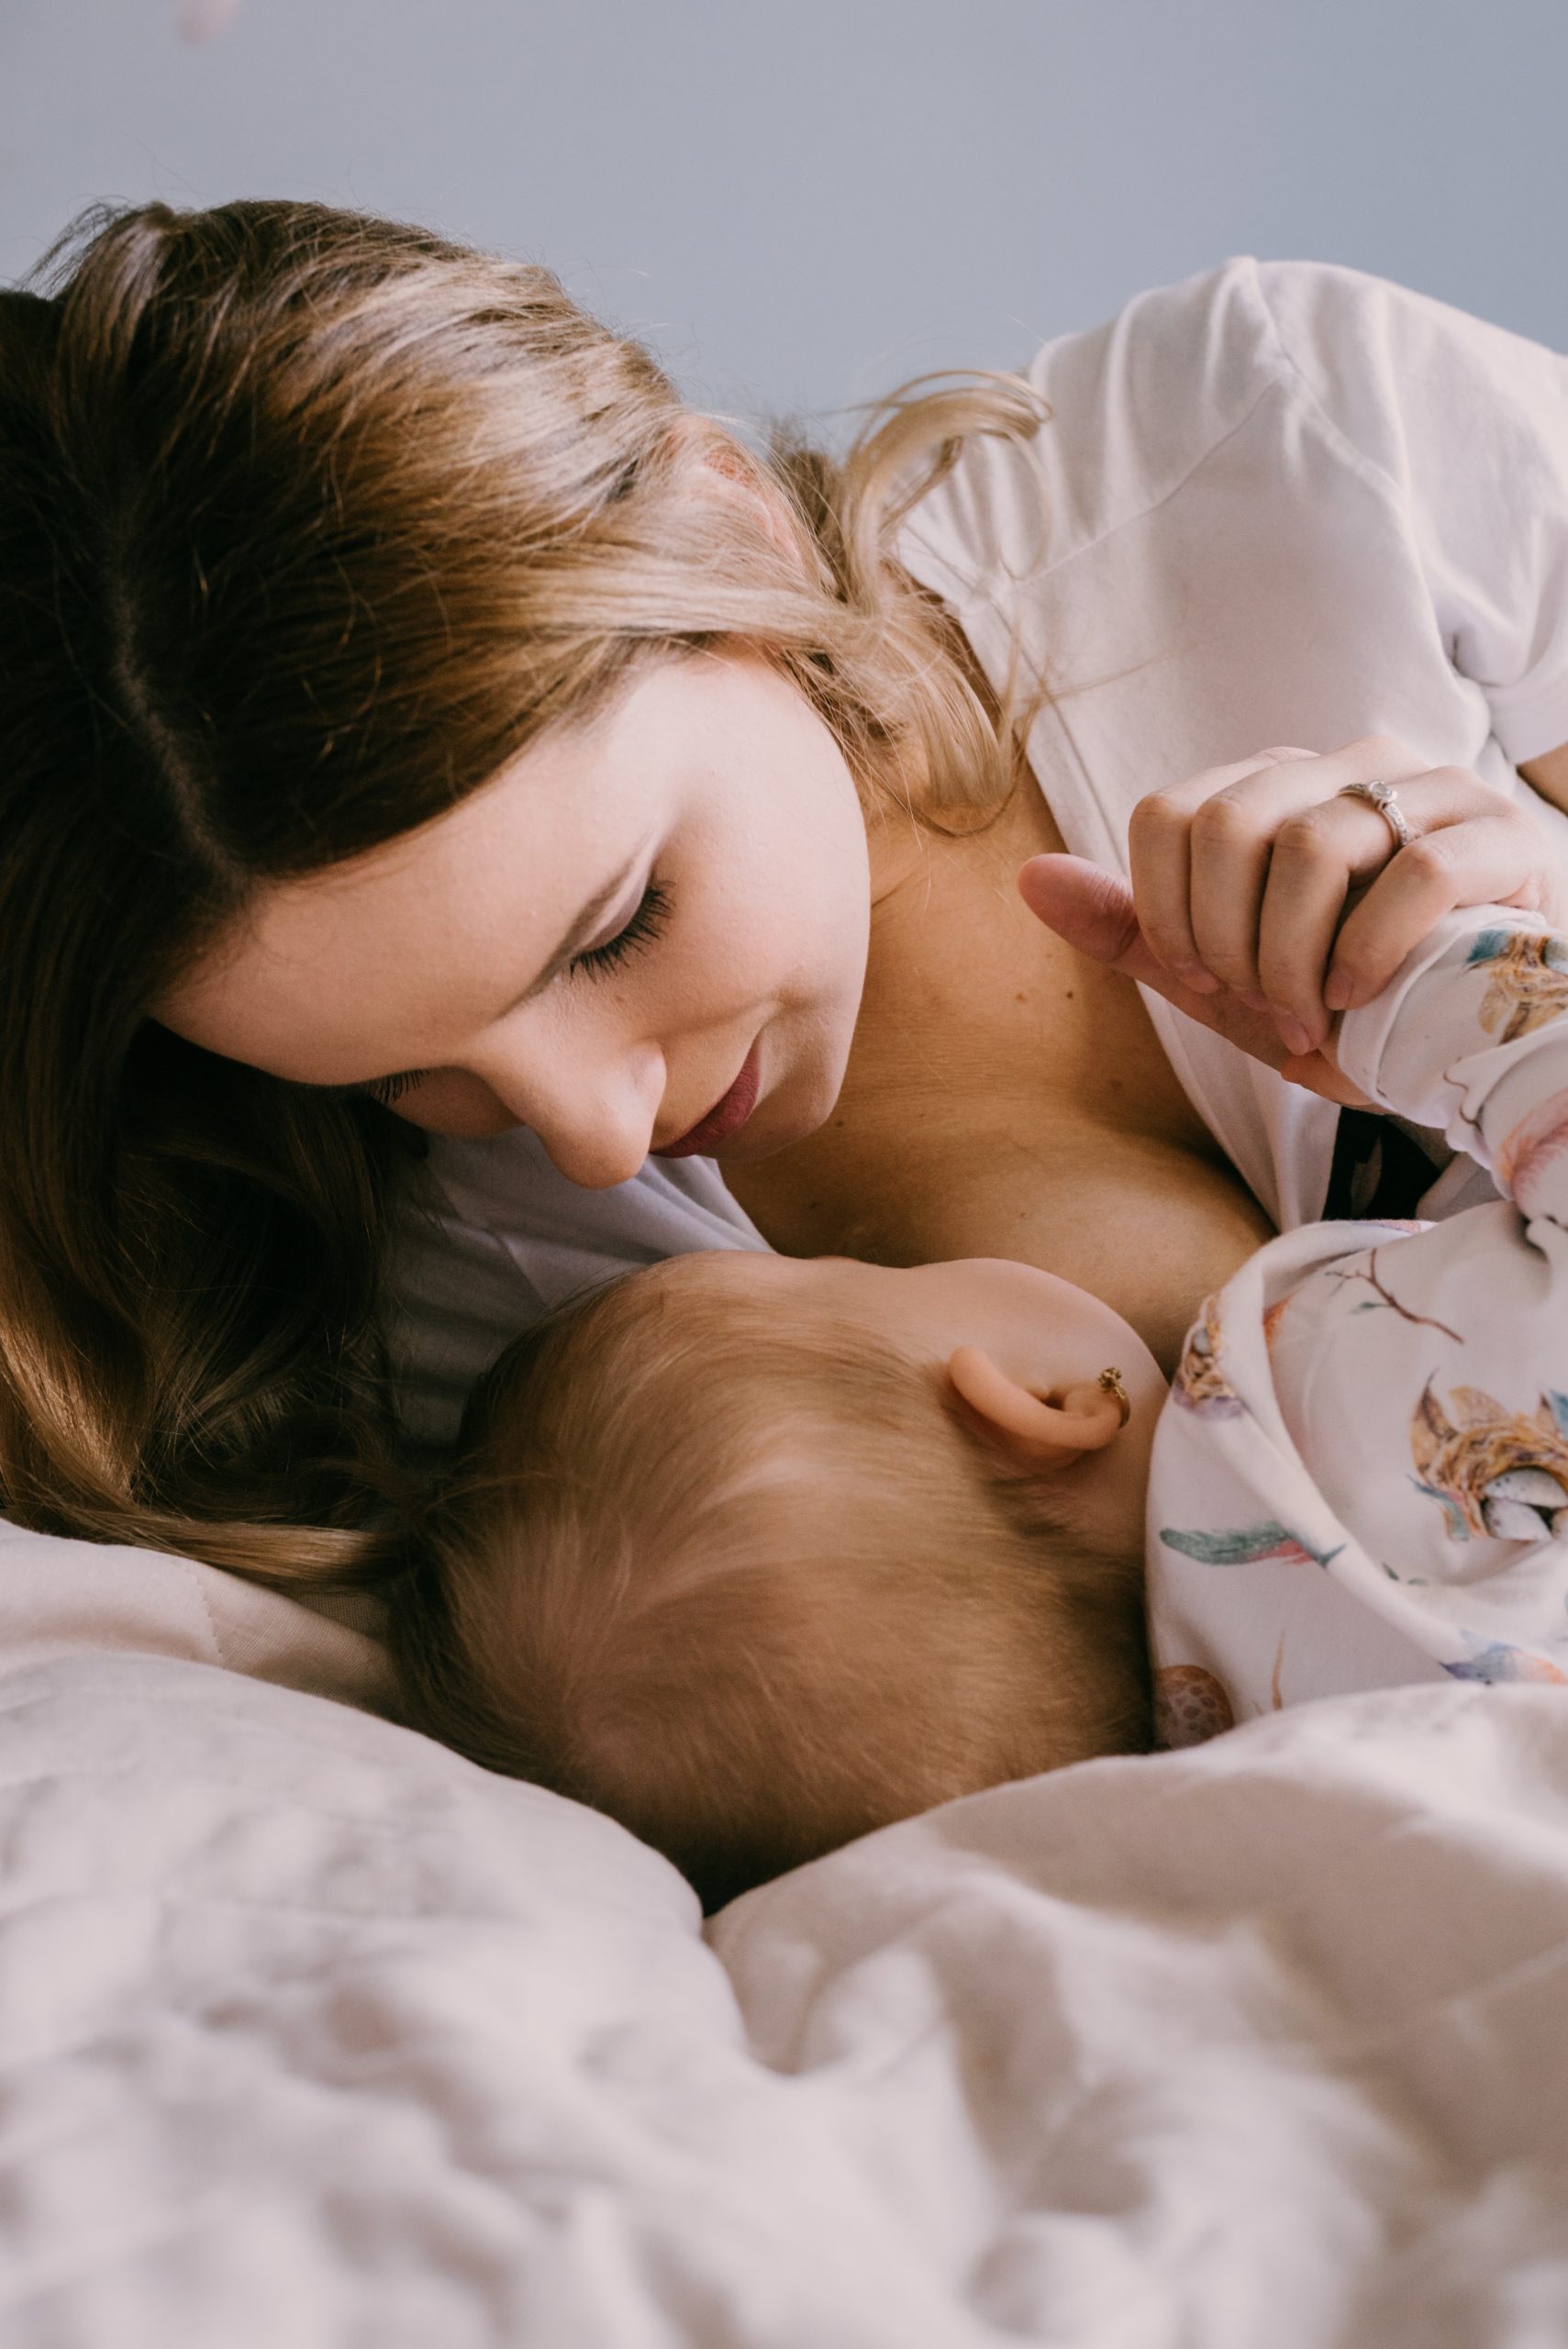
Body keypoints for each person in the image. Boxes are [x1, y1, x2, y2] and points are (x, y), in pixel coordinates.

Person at [3, 195, 1568, 1598]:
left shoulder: (1289, 448)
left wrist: (1524, 937)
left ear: (728, 527)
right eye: (413, 1076)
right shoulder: (516, 1336)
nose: (595, 1141)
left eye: (617, 925)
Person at [384, 891, 1568, 1909]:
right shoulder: (1340, 1399)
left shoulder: (1301, 1795)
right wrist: (1417, 993)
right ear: (1044, 1407)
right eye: (851, 1277)